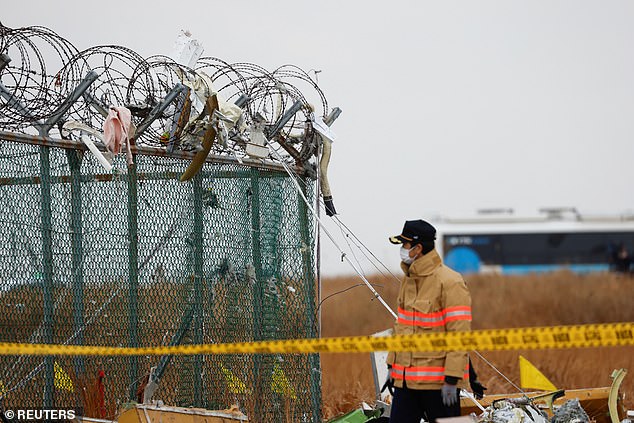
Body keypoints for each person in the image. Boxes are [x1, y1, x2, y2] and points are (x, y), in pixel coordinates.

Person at [386, 219, 472, 423]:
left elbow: (459, 335)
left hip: (439, 385)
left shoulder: (450, 282)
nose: (402, 249)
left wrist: (452, 379)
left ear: (418, 248)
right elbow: (402, 327)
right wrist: (392, 366)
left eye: (405, 245)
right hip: (406, 383)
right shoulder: (408, 281)